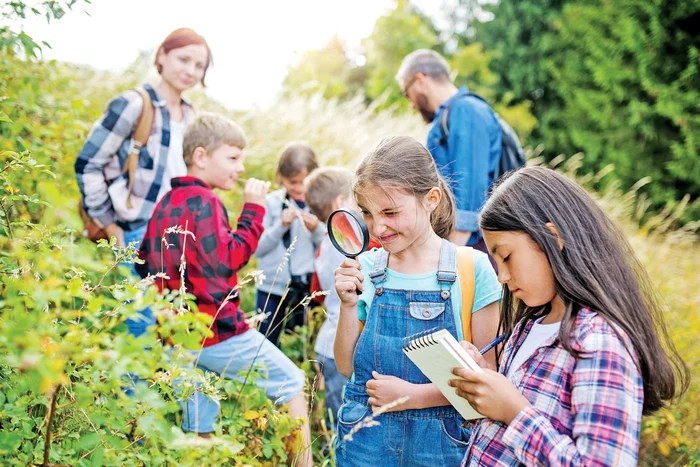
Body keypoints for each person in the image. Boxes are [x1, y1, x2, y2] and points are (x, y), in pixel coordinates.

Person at [449, 167, 689, 466]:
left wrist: (514, 412)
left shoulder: (599, 342)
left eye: (507, 256)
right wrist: (484, 384)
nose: (503, 276)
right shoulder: (527, 328)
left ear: (554, 236)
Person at [136, 114, 311, 466]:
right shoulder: (207, 203)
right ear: (201, 157)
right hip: (217, 333)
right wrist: (253, 211)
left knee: (201, 421)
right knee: (293, 383)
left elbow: (141, 262)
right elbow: (228, 260)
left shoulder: (165, 203)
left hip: (179, 338)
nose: (240, 167)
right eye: (232, 158)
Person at [333, 136, 502, 466]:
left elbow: (489, 375)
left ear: (431, 199)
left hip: (441, 443)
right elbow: (345, 366)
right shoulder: (366, 268)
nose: (378, 227)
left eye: (391, 212)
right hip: (366, 439)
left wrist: (410, 396)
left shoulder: (472, 268)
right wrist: (348, 306)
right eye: (367, 213)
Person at [75, 27, 212, 337]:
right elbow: (88, 164)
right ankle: (130, 387)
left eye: (199, 65)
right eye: (184, 59)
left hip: (178, 236)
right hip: (136, 231)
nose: (190, 70)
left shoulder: (193, 116)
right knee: (140, 325)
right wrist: (110, 225)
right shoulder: (134, 104)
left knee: (173, 328)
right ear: (162, 55)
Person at [396, 49, 502, 263]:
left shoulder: (466, 110)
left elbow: (470, 197)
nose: (412, 104)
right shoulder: (447, 117)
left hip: (473, 250)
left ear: (420, 79)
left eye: (408, 94)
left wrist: (448, 262)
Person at [254, 142, 325, 346]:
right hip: (271, 288)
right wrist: (280, 226)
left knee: (305, 344)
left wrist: (317, 230)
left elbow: (330, 247)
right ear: (281, 178)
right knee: (264, 343)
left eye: (305, 182)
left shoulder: (321, 204)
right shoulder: (271, 202)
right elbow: (258, 248)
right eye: (293, 182)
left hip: (307, 288)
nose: (299, 189)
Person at [303, 167, 355, 431]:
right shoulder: (347, 242)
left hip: (329, 341)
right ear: (339, 203)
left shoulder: (325, 241)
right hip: (339, 346)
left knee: (338, 413)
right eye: (355, 198)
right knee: (343, 422)